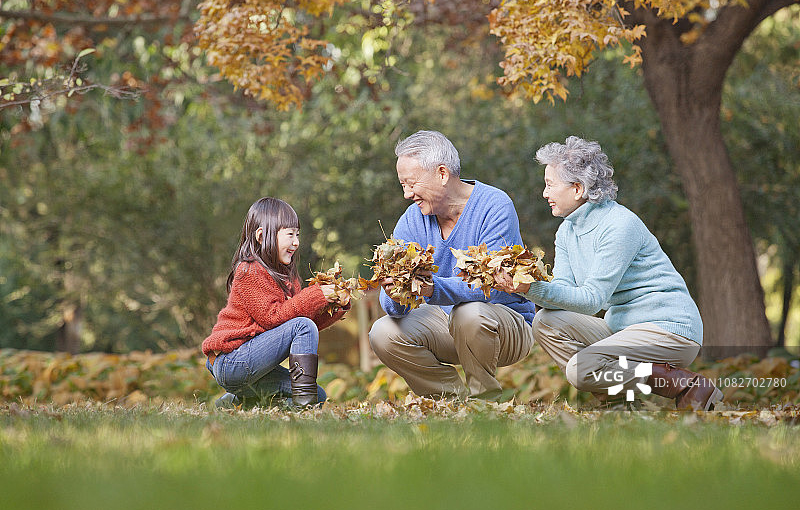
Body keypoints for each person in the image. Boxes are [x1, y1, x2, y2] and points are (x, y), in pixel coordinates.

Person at [491, 136, 723, 410]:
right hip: (623, 329)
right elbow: (564, 290)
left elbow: (592, 301)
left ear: (577, 189)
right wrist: (524, 282)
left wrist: (530, 289)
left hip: (669, 330)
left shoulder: (619, 225)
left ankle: (686, 384)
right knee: (545, 321)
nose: (544, 193)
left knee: (580, 369)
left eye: (550, 185)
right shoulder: (567, 230)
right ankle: (620, 403)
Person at [369, 130, 536, 401]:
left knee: (468, 313)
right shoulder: (413, 220)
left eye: (411, 183)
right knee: (383, 332)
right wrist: (395, 292)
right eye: (402, 185)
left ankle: (486, 404)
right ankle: (451, 403)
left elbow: (491, 286)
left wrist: (431, 289)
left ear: (442, 174)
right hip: (445, 324)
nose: (406, 194)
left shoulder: (494, 206)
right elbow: (395, 310)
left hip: (505, 324)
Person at [202, 197, 350, 409]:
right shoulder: (249, 270)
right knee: (305, 390)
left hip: (252, 370)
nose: (296, 242)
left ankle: (241, 402)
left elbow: (303, 325)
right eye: (290, 234)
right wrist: (315, 296)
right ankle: (304, 409)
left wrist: (333, 305)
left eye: (297, 235)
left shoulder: (286, 278)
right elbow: (273, 318)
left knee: (317, 393)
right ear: (262, 236)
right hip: (231, 362)